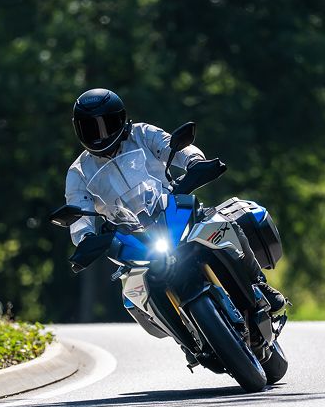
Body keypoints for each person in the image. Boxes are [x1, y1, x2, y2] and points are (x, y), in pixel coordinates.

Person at [65, 88, 288, 316]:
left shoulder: (142, 134)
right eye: (91, 128)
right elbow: (79, 211)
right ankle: (181, 333)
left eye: (107, 124)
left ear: (121, 118)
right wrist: (85, 237)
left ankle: (258, 284)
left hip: (170, 210)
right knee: (133, 292)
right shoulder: (79, 172)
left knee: (222, 224)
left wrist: (194, 161)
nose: (100, 135)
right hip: (131, 237)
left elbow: (176, 146)